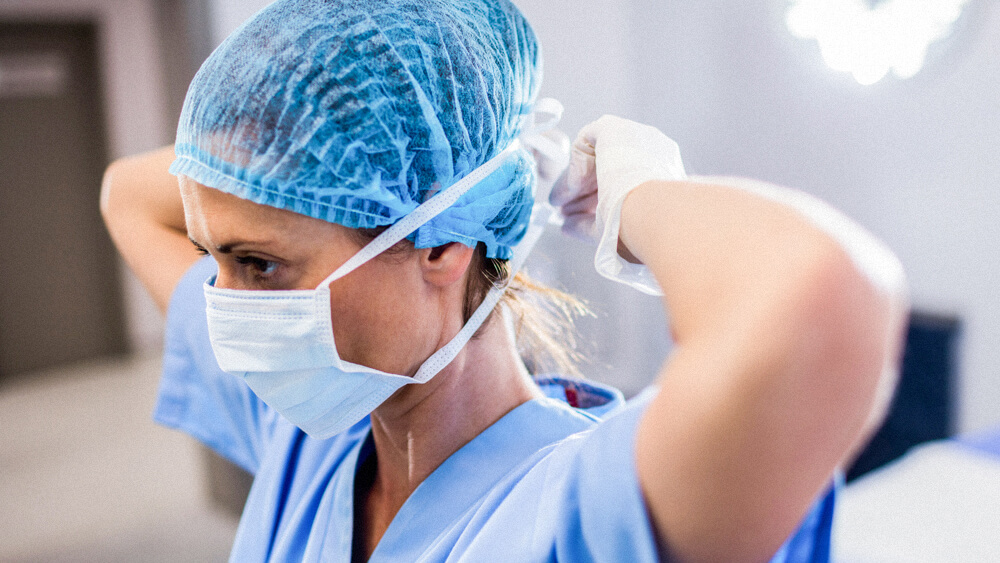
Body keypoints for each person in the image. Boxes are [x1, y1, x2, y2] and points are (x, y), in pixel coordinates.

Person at [99, 0, 908, 561]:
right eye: (216, 258)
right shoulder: (308, 438)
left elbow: (821, 299)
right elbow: (125, 197)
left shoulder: (575, 513)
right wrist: (292, 175)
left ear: (440, 246)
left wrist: (640, 199)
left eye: (259, 264)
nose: (223, 306)